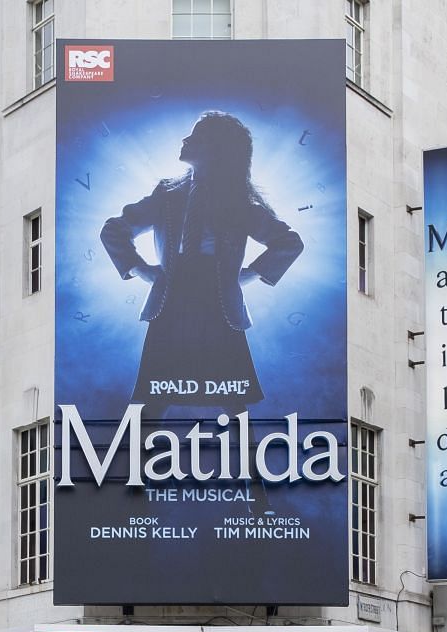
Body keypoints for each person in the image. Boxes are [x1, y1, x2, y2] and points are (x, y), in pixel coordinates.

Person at [100, 111, 304, 419]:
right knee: (155, 395)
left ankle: (249, 464)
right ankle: (137, 462)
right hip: (173, 294)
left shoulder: (239, 202)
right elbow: (114, 228)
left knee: (232, 397)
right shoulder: (167, 195)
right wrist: (139, 268)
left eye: (196, 137)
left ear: (216, 149)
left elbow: (289, 242)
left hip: (216, 299)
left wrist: (248, 274)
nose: (185, 140)